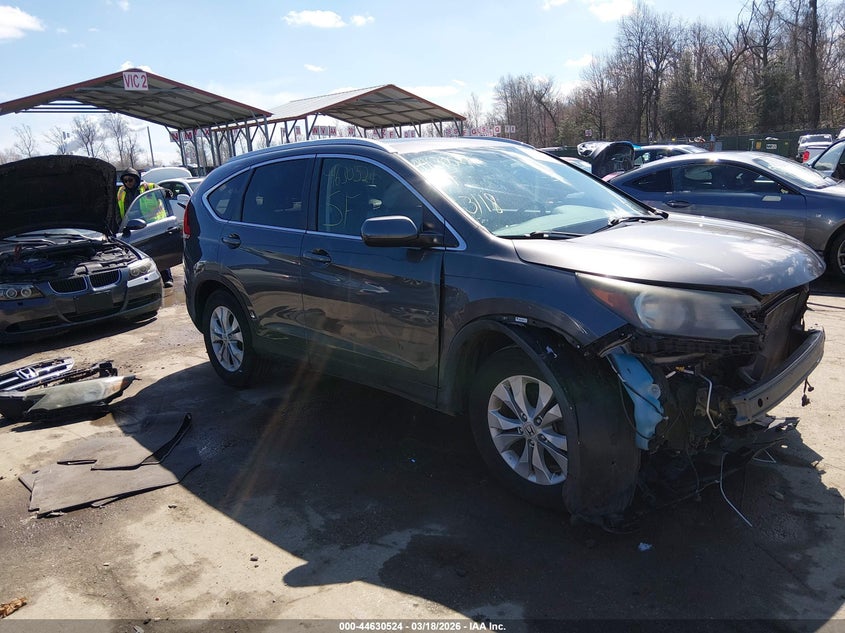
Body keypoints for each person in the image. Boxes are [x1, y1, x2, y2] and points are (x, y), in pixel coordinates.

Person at [117, 168, 174, 288]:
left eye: (130, 180)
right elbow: (118, 208)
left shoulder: (149, 187)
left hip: (152, 225)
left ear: (136, 179)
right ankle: (144, 281)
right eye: (125, 180)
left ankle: (167, 278)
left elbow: (165, 193)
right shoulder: (121, 191)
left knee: (159, 252)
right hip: (131, 227)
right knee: (138, 257)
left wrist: (167, 192)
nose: (128, 183)